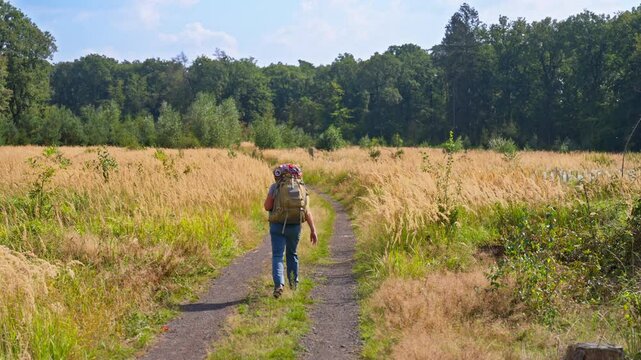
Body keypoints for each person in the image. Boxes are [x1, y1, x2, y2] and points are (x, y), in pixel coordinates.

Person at [264, 164, 318, 298]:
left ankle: (279, 285)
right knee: (292, 254)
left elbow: (267, 206)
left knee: (278, 256)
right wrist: (313, 229)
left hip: (277, 226)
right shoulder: (302, 188)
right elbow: (306, 211)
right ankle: (294, 285)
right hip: (294, 226)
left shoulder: (275, 187)